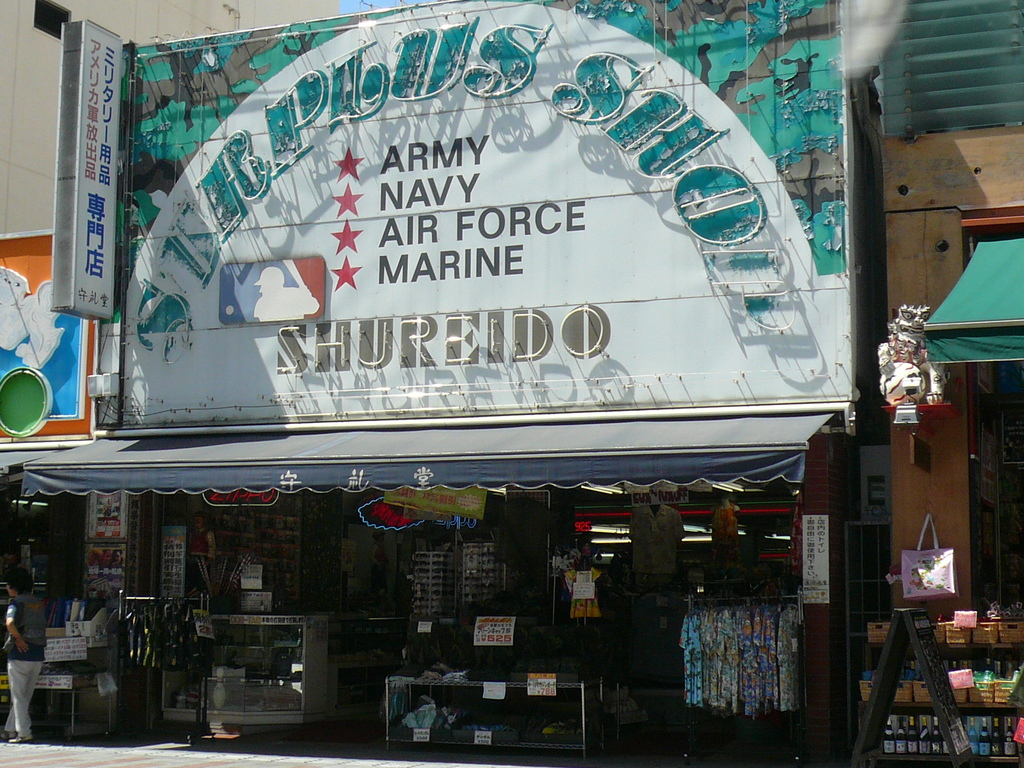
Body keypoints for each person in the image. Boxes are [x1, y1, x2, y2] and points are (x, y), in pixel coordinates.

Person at [4, 567, 46, 743]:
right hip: (37, 655)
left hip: (19, 654)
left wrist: (18, 639)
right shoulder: (38, 602)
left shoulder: (16, 603)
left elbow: (10, 623)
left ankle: (24, 732)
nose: (7, 588)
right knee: (24, 696)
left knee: (18, 697)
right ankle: (10, 729)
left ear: (14, 587)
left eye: (8, 585)